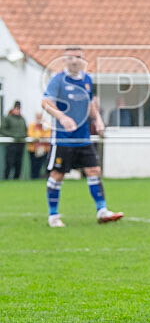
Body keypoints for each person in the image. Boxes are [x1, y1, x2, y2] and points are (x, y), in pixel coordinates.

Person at [41, 47, 123, 227]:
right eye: (71, 58)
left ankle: (102, 211)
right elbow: (46, 103)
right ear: (65, 60)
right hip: (63, 138)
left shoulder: (86, 80)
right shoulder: (58, 80)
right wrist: (62, 117)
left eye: (78, 57)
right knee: (57, 174)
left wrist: (98, 120)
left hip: (83, 137)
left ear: (83, 60)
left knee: (94, 170)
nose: (75, 61)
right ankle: (53, 216)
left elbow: (90, 103)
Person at [1, 101, 27, 179]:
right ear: (13, 108)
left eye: (19, 108)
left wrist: (22, 135)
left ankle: (16, 179)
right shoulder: (8, 118)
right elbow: (2, 130)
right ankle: (6, 178)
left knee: (18, 162)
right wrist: (13, 135)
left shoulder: (22, 119)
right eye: (16, 108)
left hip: (20, 144)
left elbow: (25, 130)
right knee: (9, 162)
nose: (18, 110)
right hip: (11, 144)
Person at [27, 111, 51, 179]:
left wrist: (43, 128)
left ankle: (47, 178)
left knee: (46, 165)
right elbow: (31, 135)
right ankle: (34, 178)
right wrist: (40, 134)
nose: (39, 118)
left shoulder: (46, 125)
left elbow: (49, 135)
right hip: (34, 150)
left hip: (45, 149)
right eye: (38, 117)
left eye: (40, 116)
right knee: (35, 166)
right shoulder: (32, 125)